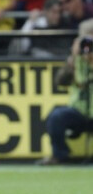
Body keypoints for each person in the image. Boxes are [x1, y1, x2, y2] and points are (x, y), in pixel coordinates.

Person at [37, 35, 93, 166]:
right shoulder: (77, 63)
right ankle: (59, 155)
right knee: (57, 115)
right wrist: (73, 59)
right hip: (79, 112)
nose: (88, 51)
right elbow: (60, 81)